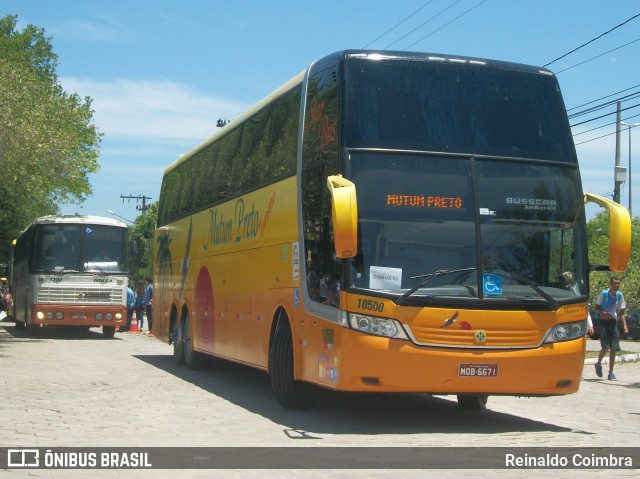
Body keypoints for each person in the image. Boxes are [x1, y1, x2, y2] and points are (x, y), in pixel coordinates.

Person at [593, 276, 629, 380]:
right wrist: (602, 313)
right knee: (605, 347)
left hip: (613, 322)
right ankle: (598, 363)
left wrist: (625, 325)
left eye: (618, 284)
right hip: (604, 322)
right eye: (614, 283)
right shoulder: (603, 294)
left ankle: (611, 372)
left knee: (614, 348)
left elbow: (621, 312)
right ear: (611, 284)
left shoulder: (619, 295)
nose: (616, 285)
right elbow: (595, 308)